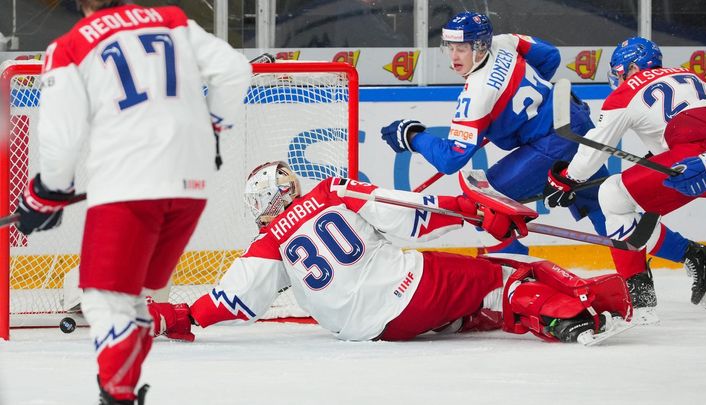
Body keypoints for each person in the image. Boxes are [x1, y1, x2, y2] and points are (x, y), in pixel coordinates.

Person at [13, 1, 251, 403]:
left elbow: (62, 140)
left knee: (103, 296)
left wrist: (46, 193)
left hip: (129, 183)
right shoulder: (172, 20)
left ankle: (117, 394)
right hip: (191, 184)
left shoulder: (70, 46)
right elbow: (235, 70)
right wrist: (213, 127)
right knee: (134, 292)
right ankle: (125, 387)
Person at [147, 161, 632, 346]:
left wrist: (180, 317)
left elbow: (234, 301)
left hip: (374, 331)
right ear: (289, 187)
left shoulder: (268, 242)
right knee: (501, 279)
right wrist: (470, 212)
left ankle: (481, 318)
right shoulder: (333, 191)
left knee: (469, 307)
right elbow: (409, 213)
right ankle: (570, 316)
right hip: (409, 289)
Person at [379, 11, 609, 256]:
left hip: (553, 144)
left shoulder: (476, 94)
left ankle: (523, 280)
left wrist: (413, 136)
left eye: (462, 49)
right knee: (605, 206)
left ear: (479, 47)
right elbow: (551, 57)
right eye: (450, 48)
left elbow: (451, 159)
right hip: (577, 120)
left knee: (484, 203)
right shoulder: (505, 41)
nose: (454, 57)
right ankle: (637, 282)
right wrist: (518, 106)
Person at [544, 37, 706, 318]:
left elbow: (595, 148)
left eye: (619, 71)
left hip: (691, 160)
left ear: (633, 67)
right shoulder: (692, 75)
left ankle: (641, 294)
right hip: (705, 157)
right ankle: (690, 259)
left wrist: (567, 178)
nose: (618, 77)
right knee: (625, 199)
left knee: (612, 195)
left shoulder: (626, 93)